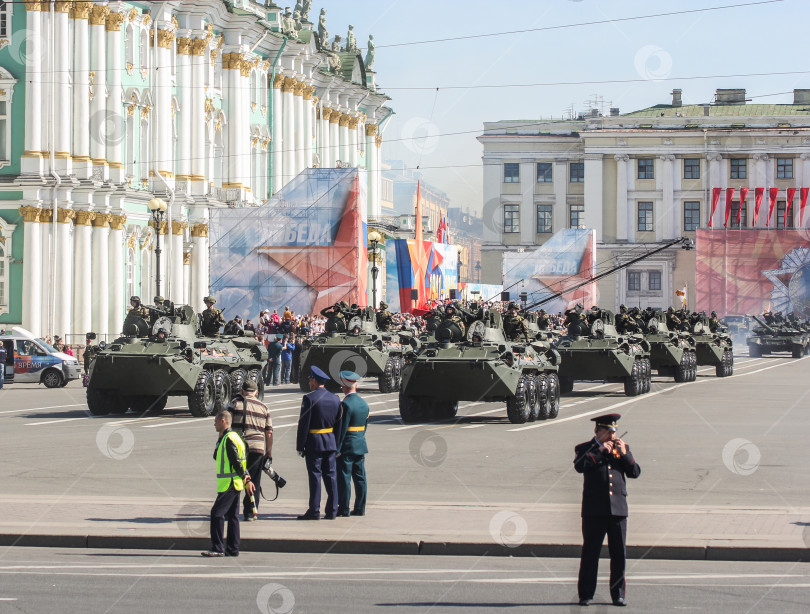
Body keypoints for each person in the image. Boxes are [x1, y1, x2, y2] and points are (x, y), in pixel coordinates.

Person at [574, 413, 641, 607]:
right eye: (608, 432)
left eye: (614, 432)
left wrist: (625, 454)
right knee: (590, 554)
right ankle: (586, 594)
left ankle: (618, 594)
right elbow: (580, 466)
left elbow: (635, 472)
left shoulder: (622, 449)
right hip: (594, 511)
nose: (612, 436)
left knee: (619, 555)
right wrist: (600, 451)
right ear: (597, 431)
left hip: (618, 511)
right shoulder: (585, 448)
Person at [202, 410, 254, 557]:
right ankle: (232, 548)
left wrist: (246, 477)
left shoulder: (229, 439)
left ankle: (217, 547)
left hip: (229, 483)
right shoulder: (233, 437)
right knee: (233, 516)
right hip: (236, 482)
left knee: (217, 513)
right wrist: (246, 477)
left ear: (223, 421)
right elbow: (216, 456)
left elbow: (235, 461)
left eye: (216, 421)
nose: (214, 423)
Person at [296, 366, 343, 520]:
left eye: (310, 379)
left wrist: (300, 445)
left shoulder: (309, 399)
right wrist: (335, 444)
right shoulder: (335, 398)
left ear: (315, 381)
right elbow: (338, 425)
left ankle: (314, 510)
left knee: (315, 476)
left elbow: (304, 424)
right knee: (331, 477)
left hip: (314, 443)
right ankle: (332, 511)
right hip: (330, 442)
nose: (309, 382)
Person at [229, 380, 272, 521]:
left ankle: (231, 512)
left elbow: (225, 423)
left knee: (235, 480)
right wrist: (268, 453)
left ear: (242, 391)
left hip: (237, 450)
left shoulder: (235, 403)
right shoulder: (264, 407)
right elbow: (269, 433)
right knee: (254, 481)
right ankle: (250, 512)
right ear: (256, 392)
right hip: (257, 449)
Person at [335, 371, 369, 517]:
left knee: (344, 479)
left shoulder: (345, 405)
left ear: (344, 385)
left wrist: (337, 449)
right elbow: (365, 426)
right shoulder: (364, 404)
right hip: (360, 444)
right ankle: (360, 508)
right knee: (360, 478)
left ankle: (344, 509)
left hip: (347, 447)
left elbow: (342, 430)